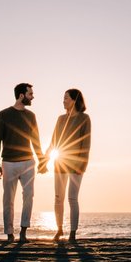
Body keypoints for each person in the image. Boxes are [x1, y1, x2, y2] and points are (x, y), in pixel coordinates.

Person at [0, 82, 47, 243]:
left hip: (28, 162)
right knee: (8, 199)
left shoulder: (31, 116)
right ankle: (10, 234)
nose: (33, 97)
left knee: (29, 197)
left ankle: (23, 232)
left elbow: (36, 141)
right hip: (8, 163)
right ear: (21, 95)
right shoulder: (3, 114)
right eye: (30, 94)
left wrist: (42, 161)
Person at [47, 88, 92, 242]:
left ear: (74, 100)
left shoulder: (85, 118)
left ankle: (73, 233)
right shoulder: (60, 119)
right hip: (60, 163)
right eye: (63, 98)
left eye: (66, 98)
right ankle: (59, 230)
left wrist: (82, 165)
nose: (63, 101)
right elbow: (53, 142)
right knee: (58, 198)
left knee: (72, 198)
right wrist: (45, 159)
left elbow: (86, 144)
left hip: (76, 166)